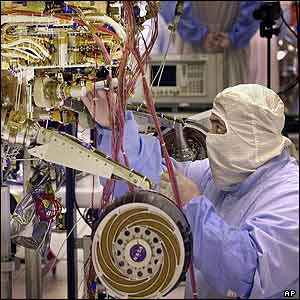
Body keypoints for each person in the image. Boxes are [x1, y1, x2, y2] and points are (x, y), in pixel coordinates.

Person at [81, 84, 299, 298]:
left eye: (218, 127)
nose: (210, 137)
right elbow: (149, 180)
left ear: (249, 135)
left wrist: (194, 207)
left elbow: (248, 274)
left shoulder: (290, 199)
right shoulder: (225, 175)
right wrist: (115, 127)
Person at [154, 1, 260, 87]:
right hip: (221, 45)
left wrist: (200, 34)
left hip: (201, 47)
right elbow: (253, 9)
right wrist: (233, 36)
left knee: (190, 104)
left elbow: (176, 7)